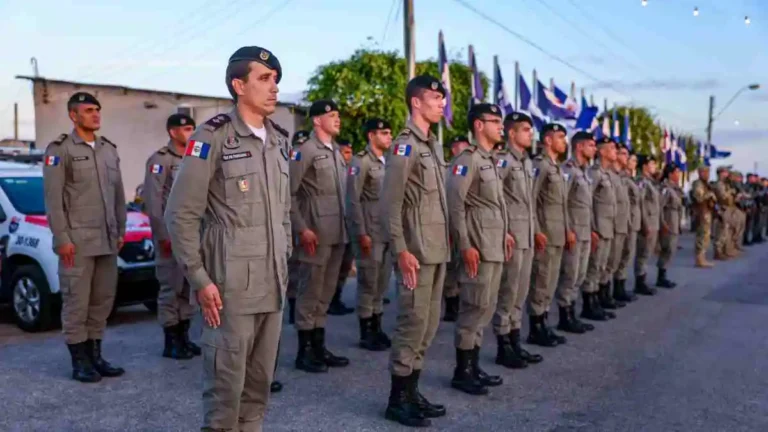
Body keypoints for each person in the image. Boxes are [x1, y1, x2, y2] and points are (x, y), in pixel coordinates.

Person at [164, 46, 290, 431]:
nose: (274, 89)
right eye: (264, 79)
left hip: (273, 285)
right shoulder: (213, 136)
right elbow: (180, 213)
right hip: (229, 290)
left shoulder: (279, 139)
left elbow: (283, 213)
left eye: (276, 81)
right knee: (225, 396)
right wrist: (200, 279)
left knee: (257, 392)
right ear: (238, 85)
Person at [43, 92, 127, 383]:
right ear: (73, 115)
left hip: (106, 239)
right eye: (89, 110)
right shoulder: (60, 150)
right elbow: (53, 200)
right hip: (77, 242)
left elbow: (118, 194)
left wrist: (120, 230)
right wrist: (61, 238)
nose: (96, 115)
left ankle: (95, 356)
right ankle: (79, 362)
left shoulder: (108, 150)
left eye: (97, 110)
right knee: (76, 302)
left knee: (102, 301)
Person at [381, 75, 449, 427]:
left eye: (442, 98)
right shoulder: (404, 146)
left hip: (437, 251)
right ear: (416, 103)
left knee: (428, 324)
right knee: (411, 324)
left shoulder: (431, 146)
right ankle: (397, 399)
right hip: (416, 253)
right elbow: (389, 204)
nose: (442, 103)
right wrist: (401, 249)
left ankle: (413, 391)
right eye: (435, 97)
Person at [446, 103, 513, 395]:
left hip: (494, 245)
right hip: (478, 246)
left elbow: (495, 204)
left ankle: (473, 365)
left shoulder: (491, 160)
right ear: (478, 125)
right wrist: (465, 245)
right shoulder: (467, 159)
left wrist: (507, 233)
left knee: (485, 307)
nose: (501, 126)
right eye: (494, 121)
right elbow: (455, 203)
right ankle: (462, 370)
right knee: (473, 308)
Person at [290, 99, 350, 373]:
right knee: (309, 292)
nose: (338, 119)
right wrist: (302, 228)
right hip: (314, 233)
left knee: (325, 293)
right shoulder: (306, 151)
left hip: (337, 233)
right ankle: (304, 352)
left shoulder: (336, 152)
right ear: (317, 120)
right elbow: (288, 194)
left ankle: (318, 346)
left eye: (338, 115)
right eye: (332, 115)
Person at [142, 113, 200, 360]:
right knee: (170, 287)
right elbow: (153, 202)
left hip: (193, 235)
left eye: (192, 128)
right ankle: (171, 340)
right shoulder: (160, 160)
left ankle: (184, 337)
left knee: (189, 287)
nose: (190, 133)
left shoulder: (196, 159)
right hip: (170, 234)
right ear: (172, 132)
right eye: (185, 129)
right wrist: (163, 235)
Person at [492, 112, 543, 369]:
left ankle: (515, 341)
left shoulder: (526, 162)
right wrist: (504, 230)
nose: (530, 134)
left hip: (526, 235)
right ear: (511, 133)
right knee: (508, 291)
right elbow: (495, 196)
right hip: (512, 235)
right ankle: (503, 346)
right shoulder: (503, 161)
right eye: (525, 130)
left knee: (520, 291)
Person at [347, 118, 394, 351]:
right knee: (368, 283)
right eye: (384, 133)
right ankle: (366, 331)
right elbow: (353, 200)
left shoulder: (389, 161)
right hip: (370, 232)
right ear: (371, 136)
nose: (389, 137)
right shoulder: (361, 161)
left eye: (389, 133)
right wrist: (361, 232)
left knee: (382, 283)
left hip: (386, 232)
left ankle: (377, 327)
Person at [527, 123, 574, 347]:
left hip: (557, 234)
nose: (564, 142)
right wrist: (536, 230)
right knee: (541, 281)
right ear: (547, 140)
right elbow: (531, 200)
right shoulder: (541, 165)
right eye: (560, 137)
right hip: (545, 233)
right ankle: (535, 328)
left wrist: (566, 230)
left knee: (551, 281)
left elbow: (563, 205)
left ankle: (544, 323)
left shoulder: (558, 168)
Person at [554, 131, 597, 334]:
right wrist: (567, 229)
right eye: (590, 145)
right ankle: (565, 316)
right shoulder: (568, 170)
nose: (594, 149)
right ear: (579, 147)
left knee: (580, 275)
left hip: (585, 231)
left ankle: (572, 313)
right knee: (569, 275)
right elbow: (562, 202)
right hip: (574, 232)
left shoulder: (585, 172)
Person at [582, 137, 617, 321]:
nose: (615, 152)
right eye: (611, 148)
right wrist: (592, 228)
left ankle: (595, 301)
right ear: (602, 152)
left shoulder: (606, 174)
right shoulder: (594, 173)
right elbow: (588, 201)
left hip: (608, 227)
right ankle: (588, 305)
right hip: (598, 228)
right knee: (593, 267)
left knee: (601, 265)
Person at [443, 135, 470, 322]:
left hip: (469, 223)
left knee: (466, 265)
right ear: (454, 150)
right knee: (451, 266)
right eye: (463, 147)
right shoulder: (447, 169)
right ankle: (451, 303)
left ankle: (463, 300)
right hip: (451, 224)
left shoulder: (471, 166)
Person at [328, 138, 356, 316]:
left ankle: (336, 298)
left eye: (350, 152)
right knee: (332, 267)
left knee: (345, 265)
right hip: (333, 225)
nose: (349, 156)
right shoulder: (334, 170)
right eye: (346, 152)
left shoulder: (351, 171)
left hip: (348, 225)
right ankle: (329, 300)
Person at [286, 130, 310, 324]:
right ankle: (294, 305)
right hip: (293, 218)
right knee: (294, 266)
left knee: (305, 267)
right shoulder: (294, 159)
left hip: (307, 216)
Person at [611, 144, 637, 303]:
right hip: (611, 224)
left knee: (624, 256)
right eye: (623, 153)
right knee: (608, 262)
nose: (626, 158)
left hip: (625, 222)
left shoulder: (623, 177)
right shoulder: (612, 176)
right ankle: (606, 294)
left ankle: (618, 289)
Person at [615, 149, 641, 299]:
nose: (633, 163)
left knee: (627, 255)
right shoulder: (622, 178)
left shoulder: (631, 179)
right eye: (632, 160)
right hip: (623, 221)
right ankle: (617, 288)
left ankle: (621, 287)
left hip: (630, 221)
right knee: (621, 255)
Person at [634, 155, 660, 296]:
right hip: (647, 222)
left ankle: (643, 279)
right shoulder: (642, 181)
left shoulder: (651, 182)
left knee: (647, 253)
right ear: (644, 166)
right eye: (652, 164)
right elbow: (641, 203)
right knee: (642, 254)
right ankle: (640, 282)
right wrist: (644, 223)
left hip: (653, 221)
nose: (654, 167)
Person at [657, 163, 683, 288]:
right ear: (670, 174)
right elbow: (660, 206)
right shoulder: (665, 188)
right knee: (667, 249)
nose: (679, 175)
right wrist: (663, 223)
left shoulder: (675, 188)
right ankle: (661, 276)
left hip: (674, 220)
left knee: (671, 249)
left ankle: (664, 273)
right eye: (676, 172)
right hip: (668, 219)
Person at [690, 165, 716, 268]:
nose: (706, 174)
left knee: (706, 236)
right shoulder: (698, 184)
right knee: (701, 235)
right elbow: (699, 198)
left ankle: (702, 258)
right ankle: (699, 259)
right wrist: (709, 195)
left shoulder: (706, 184)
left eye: (708, 172)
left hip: (707, 211)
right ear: (699, 173)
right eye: (704, 172)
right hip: (701, 212)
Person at [712, 166, 733, 260]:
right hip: (721, 209)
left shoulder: (725, 184)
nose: (727, 174)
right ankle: (718, 252)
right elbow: (723, 196)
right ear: (720, 173)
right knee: (721, 231)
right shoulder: (719, 184)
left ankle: (723, 250)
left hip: (726, 208)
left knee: (725, 231)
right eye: (725, 172)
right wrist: (730, 192)